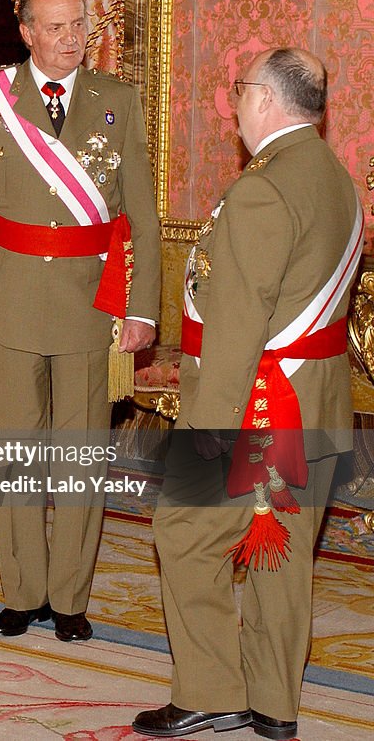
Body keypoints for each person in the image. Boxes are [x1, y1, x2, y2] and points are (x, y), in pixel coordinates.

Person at [133, 49, 361, 740]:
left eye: (238, 89)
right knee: (283, 552)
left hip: (260, 400)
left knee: (185, 531)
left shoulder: (263, 187)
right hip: (317, 394)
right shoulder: (334, 177)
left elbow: (238, 321)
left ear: (265, 99)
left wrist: (207, 429)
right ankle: (274, 702)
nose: (232, 103)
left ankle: (211, 690)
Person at [0, 0, 160, 642]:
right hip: (5, 303)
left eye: (79, 25)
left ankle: (68, 595)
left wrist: (142, 308)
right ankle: (21, 590)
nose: (71, 39)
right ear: (29, 32)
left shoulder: (116, 98)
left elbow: (142, 219)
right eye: (56, 27)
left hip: (90, 307)